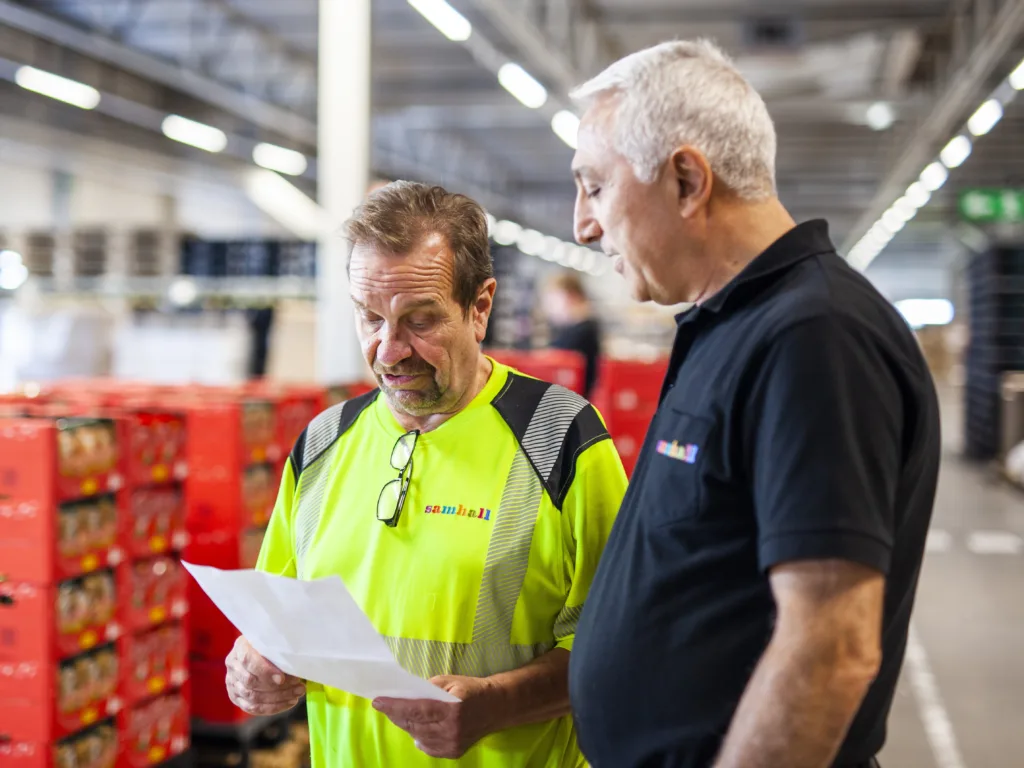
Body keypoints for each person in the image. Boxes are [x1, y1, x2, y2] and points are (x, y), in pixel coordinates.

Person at [566, 40, 940, 768]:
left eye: (594, 187)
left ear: (685, 181)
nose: (583, 223)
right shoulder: (730, 327)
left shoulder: (814, 336)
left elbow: (830, 645)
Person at [223, 181, 628, 767]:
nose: (389, 350)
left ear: (480, 306)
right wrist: (255, 665)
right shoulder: (323, 442)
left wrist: (498, 702)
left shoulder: (560, 439)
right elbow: (281, 624)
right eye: (369, 318)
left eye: (420, 320)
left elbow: (620, 649)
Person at [541, 271, 603, 398]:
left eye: (554, 299)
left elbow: (555, 359)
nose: (550, 307)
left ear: (572, 296)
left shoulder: (582, 330)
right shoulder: (578, 327)